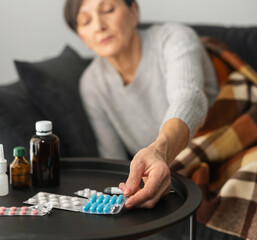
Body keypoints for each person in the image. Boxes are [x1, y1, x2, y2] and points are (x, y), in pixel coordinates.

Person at [64, 0, 219, 209]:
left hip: (219, 148)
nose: (99, 25)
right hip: (162, 175)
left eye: (108, 10)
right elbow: (113, 159)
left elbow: (189, 97)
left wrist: (159, 151)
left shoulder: (174, 37)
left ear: (134, 12)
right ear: (83, 38)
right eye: (86, 21)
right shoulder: (91, 84)